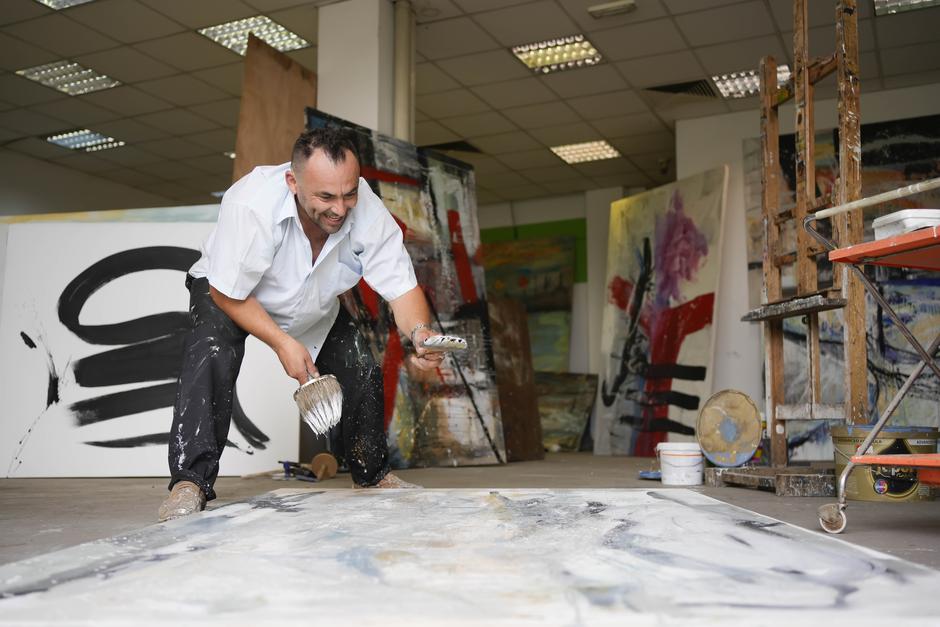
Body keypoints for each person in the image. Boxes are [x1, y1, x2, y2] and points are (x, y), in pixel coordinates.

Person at [158, 127, 444, 522]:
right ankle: (190, 482)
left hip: (312, 303)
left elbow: (402, 288)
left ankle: (373, 476)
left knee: (360, 365)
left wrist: (420, 333)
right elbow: (226, 293)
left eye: (349, 194)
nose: (340, 209)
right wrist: (281, 343)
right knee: (211, 350)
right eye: (325, 197)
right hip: (232, 293)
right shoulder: (252, 203)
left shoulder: (368, 211)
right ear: (293, 182)